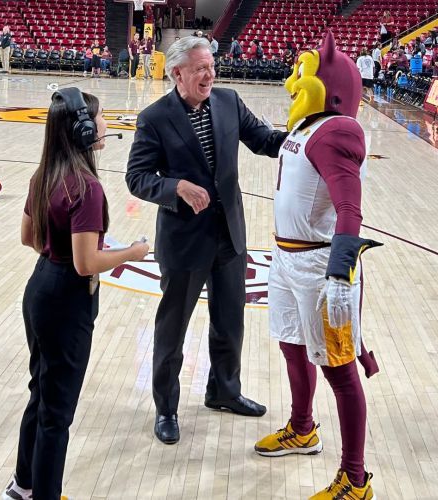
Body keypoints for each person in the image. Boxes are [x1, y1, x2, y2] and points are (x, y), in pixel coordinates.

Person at [125, 36, 287, 445]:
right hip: (183, 240)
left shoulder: (229, 101)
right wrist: (175, 187)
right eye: (199, 68)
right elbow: (137, 178)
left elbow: (265, 141)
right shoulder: (154, 118)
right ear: (177, 73)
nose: (209, 74)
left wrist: (308, 134)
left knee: (230, 321)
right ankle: (166, 408)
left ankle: (224, 391)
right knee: (173, 330)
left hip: (229, 234)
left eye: (211, 66)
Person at [3, 88, 149, 500]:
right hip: (67, 299)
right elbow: (87, 263)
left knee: (41, 391)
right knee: (58, 412)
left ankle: (24, 484)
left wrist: (59, 251)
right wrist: (133, 252)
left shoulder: (43, 174)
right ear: (84, 129)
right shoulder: (86, 187)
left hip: (40, 288)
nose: (105, 123)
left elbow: (29, 238)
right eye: (100, 117)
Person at [253, 29, 381, 500]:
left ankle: (354, 478)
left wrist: (341, 268)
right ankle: (303, 428)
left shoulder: (339, 129)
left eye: (304, 74)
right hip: (285, 257)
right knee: (291, 345)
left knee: (339, 367)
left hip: (320, 263)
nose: (294, 79)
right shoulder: (305, 127)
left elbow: (351, 206)